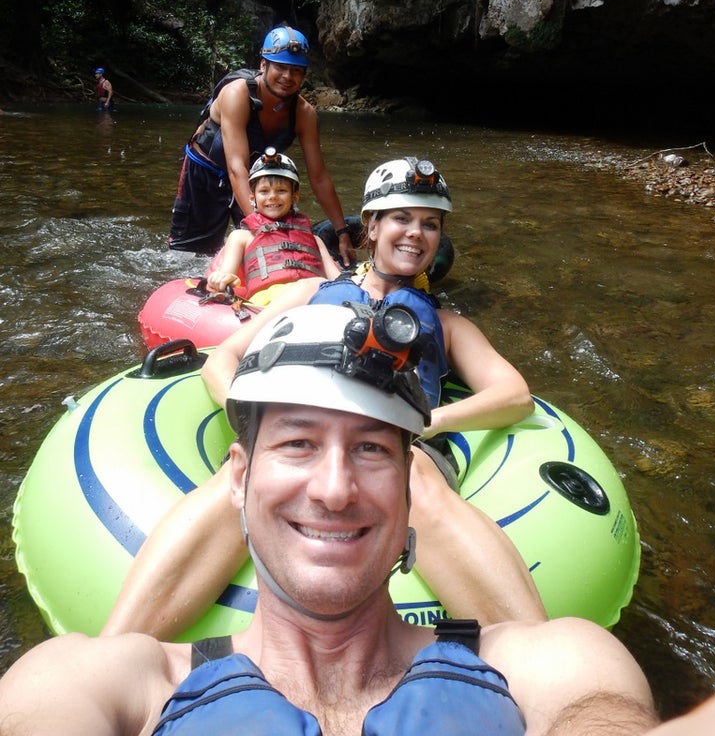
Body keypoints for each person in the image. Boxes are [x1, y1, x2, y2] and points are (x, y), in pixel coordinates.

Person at [0, 304, 663, 735]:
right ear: (239, 474)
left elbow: (595, 707)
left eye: (371, 449)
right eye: (298, 443)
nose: (336, 489)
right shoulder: (114, 686)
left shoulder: (543, 666)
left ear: (405, 485)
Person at [101, 156, 546, 640]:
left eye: (430, 224)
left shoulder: (450, 325)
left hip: (404, 444)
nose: (416, 233)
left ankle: (538, 666)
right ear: (371, 227)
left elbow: (515, 395)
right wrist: (258, 426)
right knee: (247, 473)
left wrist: (426, 422)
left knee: (413, 474)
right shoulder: (314, 291)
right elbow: (221, 359)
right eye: (401, 218)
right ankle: (119, 651)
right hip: (303, 426)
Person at [168, 24, 355, 264]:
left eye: (296, 70)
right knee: (190, 257)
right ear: (264, 65)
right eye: (280, 67)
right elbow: (236, 166)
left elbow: (319, 177)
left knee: (265, 253)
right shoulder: (237, 95)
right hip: (206, 174)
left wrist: (342, 233)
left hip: (256, 181)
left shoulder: (304, 114)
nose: (288, 77)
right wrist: (262, 227)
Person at [204, 147, 340, 300]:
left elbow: (339, 281)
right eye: (264, 191)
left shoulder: (315, 241)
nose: (273, 197)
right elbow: (227, 274)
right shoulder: (241, 237)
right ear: (252, 198)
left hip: (313, 299)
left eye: (281, 190)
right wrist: (223, 279)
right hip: (266, 304)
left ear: (295, 197)